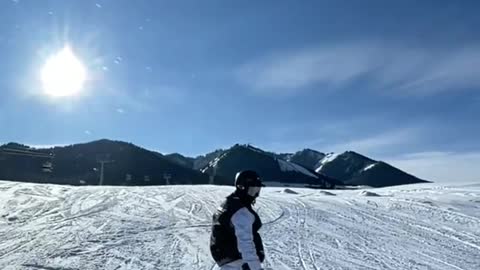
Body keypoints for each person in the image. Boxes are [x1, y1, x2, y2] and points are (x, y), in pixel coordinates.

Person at [210, 170, 266, 270]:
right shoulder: (241, 212)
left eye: (257, 190)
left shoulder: (231, 202)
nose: (255, 195)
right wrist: (255, 267)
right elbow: (245, 243)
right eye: (252, 190)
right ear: (241, 187)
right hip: (237, 261)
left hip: (227, 259)